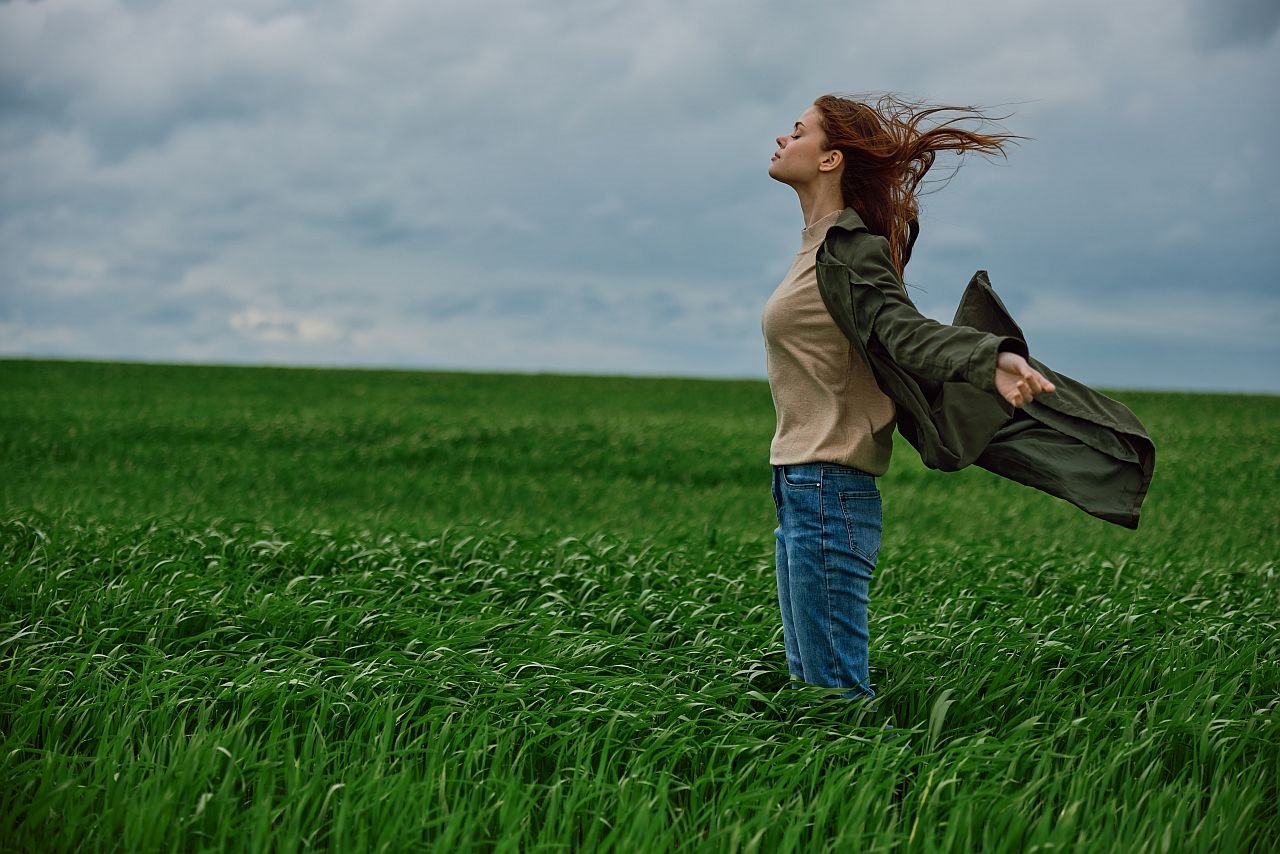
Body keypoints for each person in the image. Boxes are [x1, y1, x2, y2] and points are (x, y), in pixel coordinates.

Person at [760, 94, 1057, 701]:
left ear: (830, 159)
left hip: (828, 488)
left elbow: (904, 330)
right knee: (810, 689)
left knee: (834, 694)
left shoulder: (851, 249)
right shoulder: (816, 247)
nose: (782, 138)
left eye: (797, 131)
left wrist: (988, 357)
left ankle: (886, 792)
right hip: (798, 485)